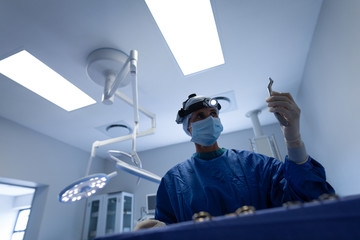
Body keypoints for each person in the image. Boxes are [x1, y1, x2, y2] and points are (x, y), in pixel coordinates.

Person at [154, 92, 335, 225]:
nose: (209, 119)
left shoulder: (256, 165)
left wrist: (293, 140)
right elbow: (167, 230)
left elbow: (306, 197)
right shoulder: (173, 181)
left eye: (213, 114)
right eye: (200, 116)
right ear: (188, 129)